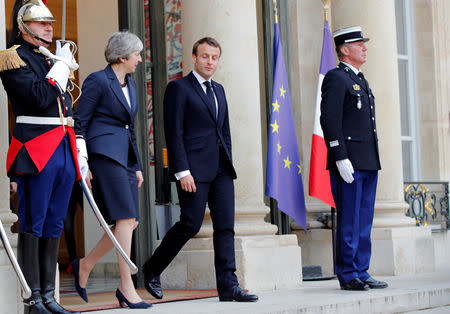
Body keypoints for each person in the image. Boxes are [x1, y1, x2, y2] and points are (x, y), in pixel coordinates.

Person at [143, 37, 258, 303]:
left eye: (214, 57)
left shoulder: (219, 89)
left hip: (221, 170)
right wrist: (182, 171)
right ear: (194, 58)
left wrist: (228, 161)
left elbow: (224, 131)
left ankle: (229, 286)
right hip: (193, 170)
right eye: (205, 56)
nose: (210, 62)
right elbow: (174, 133)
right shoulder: (179, 88)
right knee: (191, 223)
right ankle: (152, 268)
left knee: (225, 227)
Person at [0, 1, 80, 313]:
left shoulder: (48, 58)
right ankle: (32, 299)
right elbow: (37, 97)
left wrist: (80, 152)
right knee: (33, 222)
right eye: (41, 23)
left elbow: (67, 108)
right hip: (36, 148)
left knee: (54, 222)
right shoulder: (13, 58)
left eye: (50, 23)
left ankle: (49, 296)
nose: (49, 28)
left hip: (61, 146)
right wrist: (60, 67)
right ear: (24, 27)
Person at [73, 31, 151, 309]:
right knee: (126, 219)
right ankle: (126, 286)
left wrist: (138, 166)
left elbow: (130, 129)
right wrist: (84, 162)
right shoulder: (97, 80)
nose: (140, 60)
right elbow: (79, 120)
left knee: (128, 223)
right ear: (122, 57)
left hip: (125, 159)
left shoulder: (130, 85)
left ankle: (85, 265)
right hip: (104, 155)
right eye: (137, 55)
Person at [320, 26, 388, 291]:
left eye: (364, 44)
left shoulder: (361, 80)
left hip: (368, 161)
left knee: (364, 220)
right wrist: (339, 156)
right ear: (345, 50)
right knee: (349, 219)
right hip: (348, 162)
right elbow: (329, 119)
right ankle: (348, 273)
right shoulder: (337, 78)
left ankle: (362, 269)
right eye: (359, 44)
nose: (365, 47)